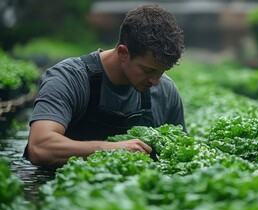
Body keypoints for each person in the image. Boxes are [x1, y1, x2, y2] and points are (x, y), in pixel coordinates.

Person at [24, 4, 186, 166]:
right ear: (123, 53)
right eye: (148, 70)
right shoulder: (68, 79)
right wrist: (113, 150)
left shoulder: (166, 92)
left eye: (162, 71)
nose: (155, 81)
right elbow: (40, 147)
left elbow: (180, 156)